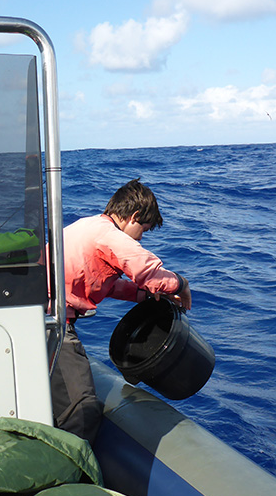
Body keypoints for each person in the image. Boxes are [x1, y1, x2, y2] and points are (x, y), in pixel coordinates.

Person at [50, 179, 192, 445]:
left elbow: (104, 284)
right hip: (51, 324)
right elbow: (147, 271)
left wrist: (143, 295)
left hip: (41, 314)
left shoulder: (89, 226)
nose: (141, 237)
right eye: (143, 230)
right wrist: (181, 284)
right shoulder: (109, 235)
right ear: (134, 217)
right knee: (83, 411)